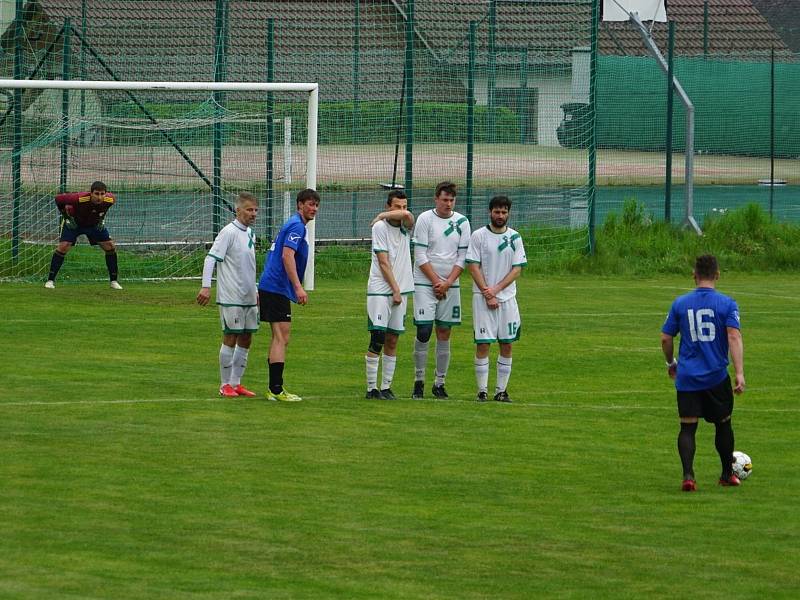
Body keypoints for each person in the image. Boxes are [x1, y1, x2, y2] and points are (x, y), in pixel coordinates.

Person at [661, 254, 746, 492]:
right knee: (723, 425)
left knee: (687, 427)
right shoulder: (727, 304)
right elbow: (734, 335)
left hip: (687, 378)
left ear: (694, 275)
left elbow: (666, 337)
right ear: (717, 274)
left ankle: (688, 476)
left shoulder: (680, 303)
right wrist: (739, 373)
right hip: (716, 377)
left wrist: (671, 363)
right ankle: (727, 475)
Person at [258, 188, 320, 402]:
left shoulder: (294, 224)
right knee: (281, 336)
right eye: (310, 204)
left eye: (316, 205)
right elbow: (286, 256)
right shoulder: (296, 225)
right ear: (299, 205)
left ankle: (275, 389)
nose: (314, 209)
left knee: (281, 336)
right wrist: (298, 287)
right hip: (276, 287)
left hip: (273, 287)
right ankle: (275, 390)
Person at [410, 181, 471, 399]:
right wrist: (437, 281)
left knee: (444, 333)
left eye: (451, 200)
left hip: (450, 284)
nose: (448, 203)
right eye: (444, 199)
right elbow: (420, 255)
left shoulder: (462, 222)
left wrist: (448, 282)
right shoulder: (425, 219)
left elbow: (463, 257)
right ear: (436, 199)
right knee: (424, 331)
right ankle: (419, 381)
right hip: (426, 283)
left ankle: (439, 383)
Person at [197, 192, 260, 398]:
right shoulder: (228, 232)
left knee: (247, 337)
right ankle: (224, 385)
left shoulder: (250, 233)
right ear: (238, 210)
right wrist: (206, 287)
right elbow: (210, 259)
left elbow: (249, 266)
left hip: (249, 296)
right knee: (230, 336)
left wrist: (256, 290)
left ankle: (236, 383)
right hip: (231, 295)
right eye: (249, 209)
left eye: (256, 210)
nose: (253, 214)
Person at [466, 196, 527, 402]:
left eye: (504, 212)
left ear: (508, 213)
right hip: (482, 299)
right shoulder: (479, 236)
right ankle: (482, 391)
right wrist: (487, 292)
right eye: (497, 212)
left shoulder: (515, 237)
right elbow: (473, 266)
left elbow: (517, 269)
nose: (500, 216)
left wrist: (497, 290)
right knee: (483, 344)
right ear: (490, 212)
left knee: (506, 344)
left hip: (507, 299)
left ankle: (501, 391)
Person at [365, 190, 415, 400]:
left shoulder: (406, 227)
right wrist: (394, 289)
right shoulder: (379, 228)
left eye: (404, 206)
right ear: (388, 206)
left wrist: (385, 214)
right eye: (397, 207)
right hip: (381, 289)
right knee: (377, 337)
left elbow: (410, 218)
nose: (402, 211)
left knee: (393, 339)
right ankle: (371, 388)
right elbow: (383, 262)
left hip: (401, 290)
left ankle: (386, 387)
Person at [45, 181, 122, 289]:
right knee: (63, 246)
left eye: (102, 194)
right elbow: (58, 199)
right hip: (75, 223)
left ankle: (114, 281)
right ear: (91, 193)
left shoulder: (110, 199)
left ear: (105, 193)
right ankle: (50, 281)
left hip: (93, 225)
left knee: (110, 247)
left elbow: (105, 208)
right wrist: (67, 217)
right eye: (96, 193)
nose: (99, 197)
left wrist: (101, 219)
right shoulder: (78, 198)